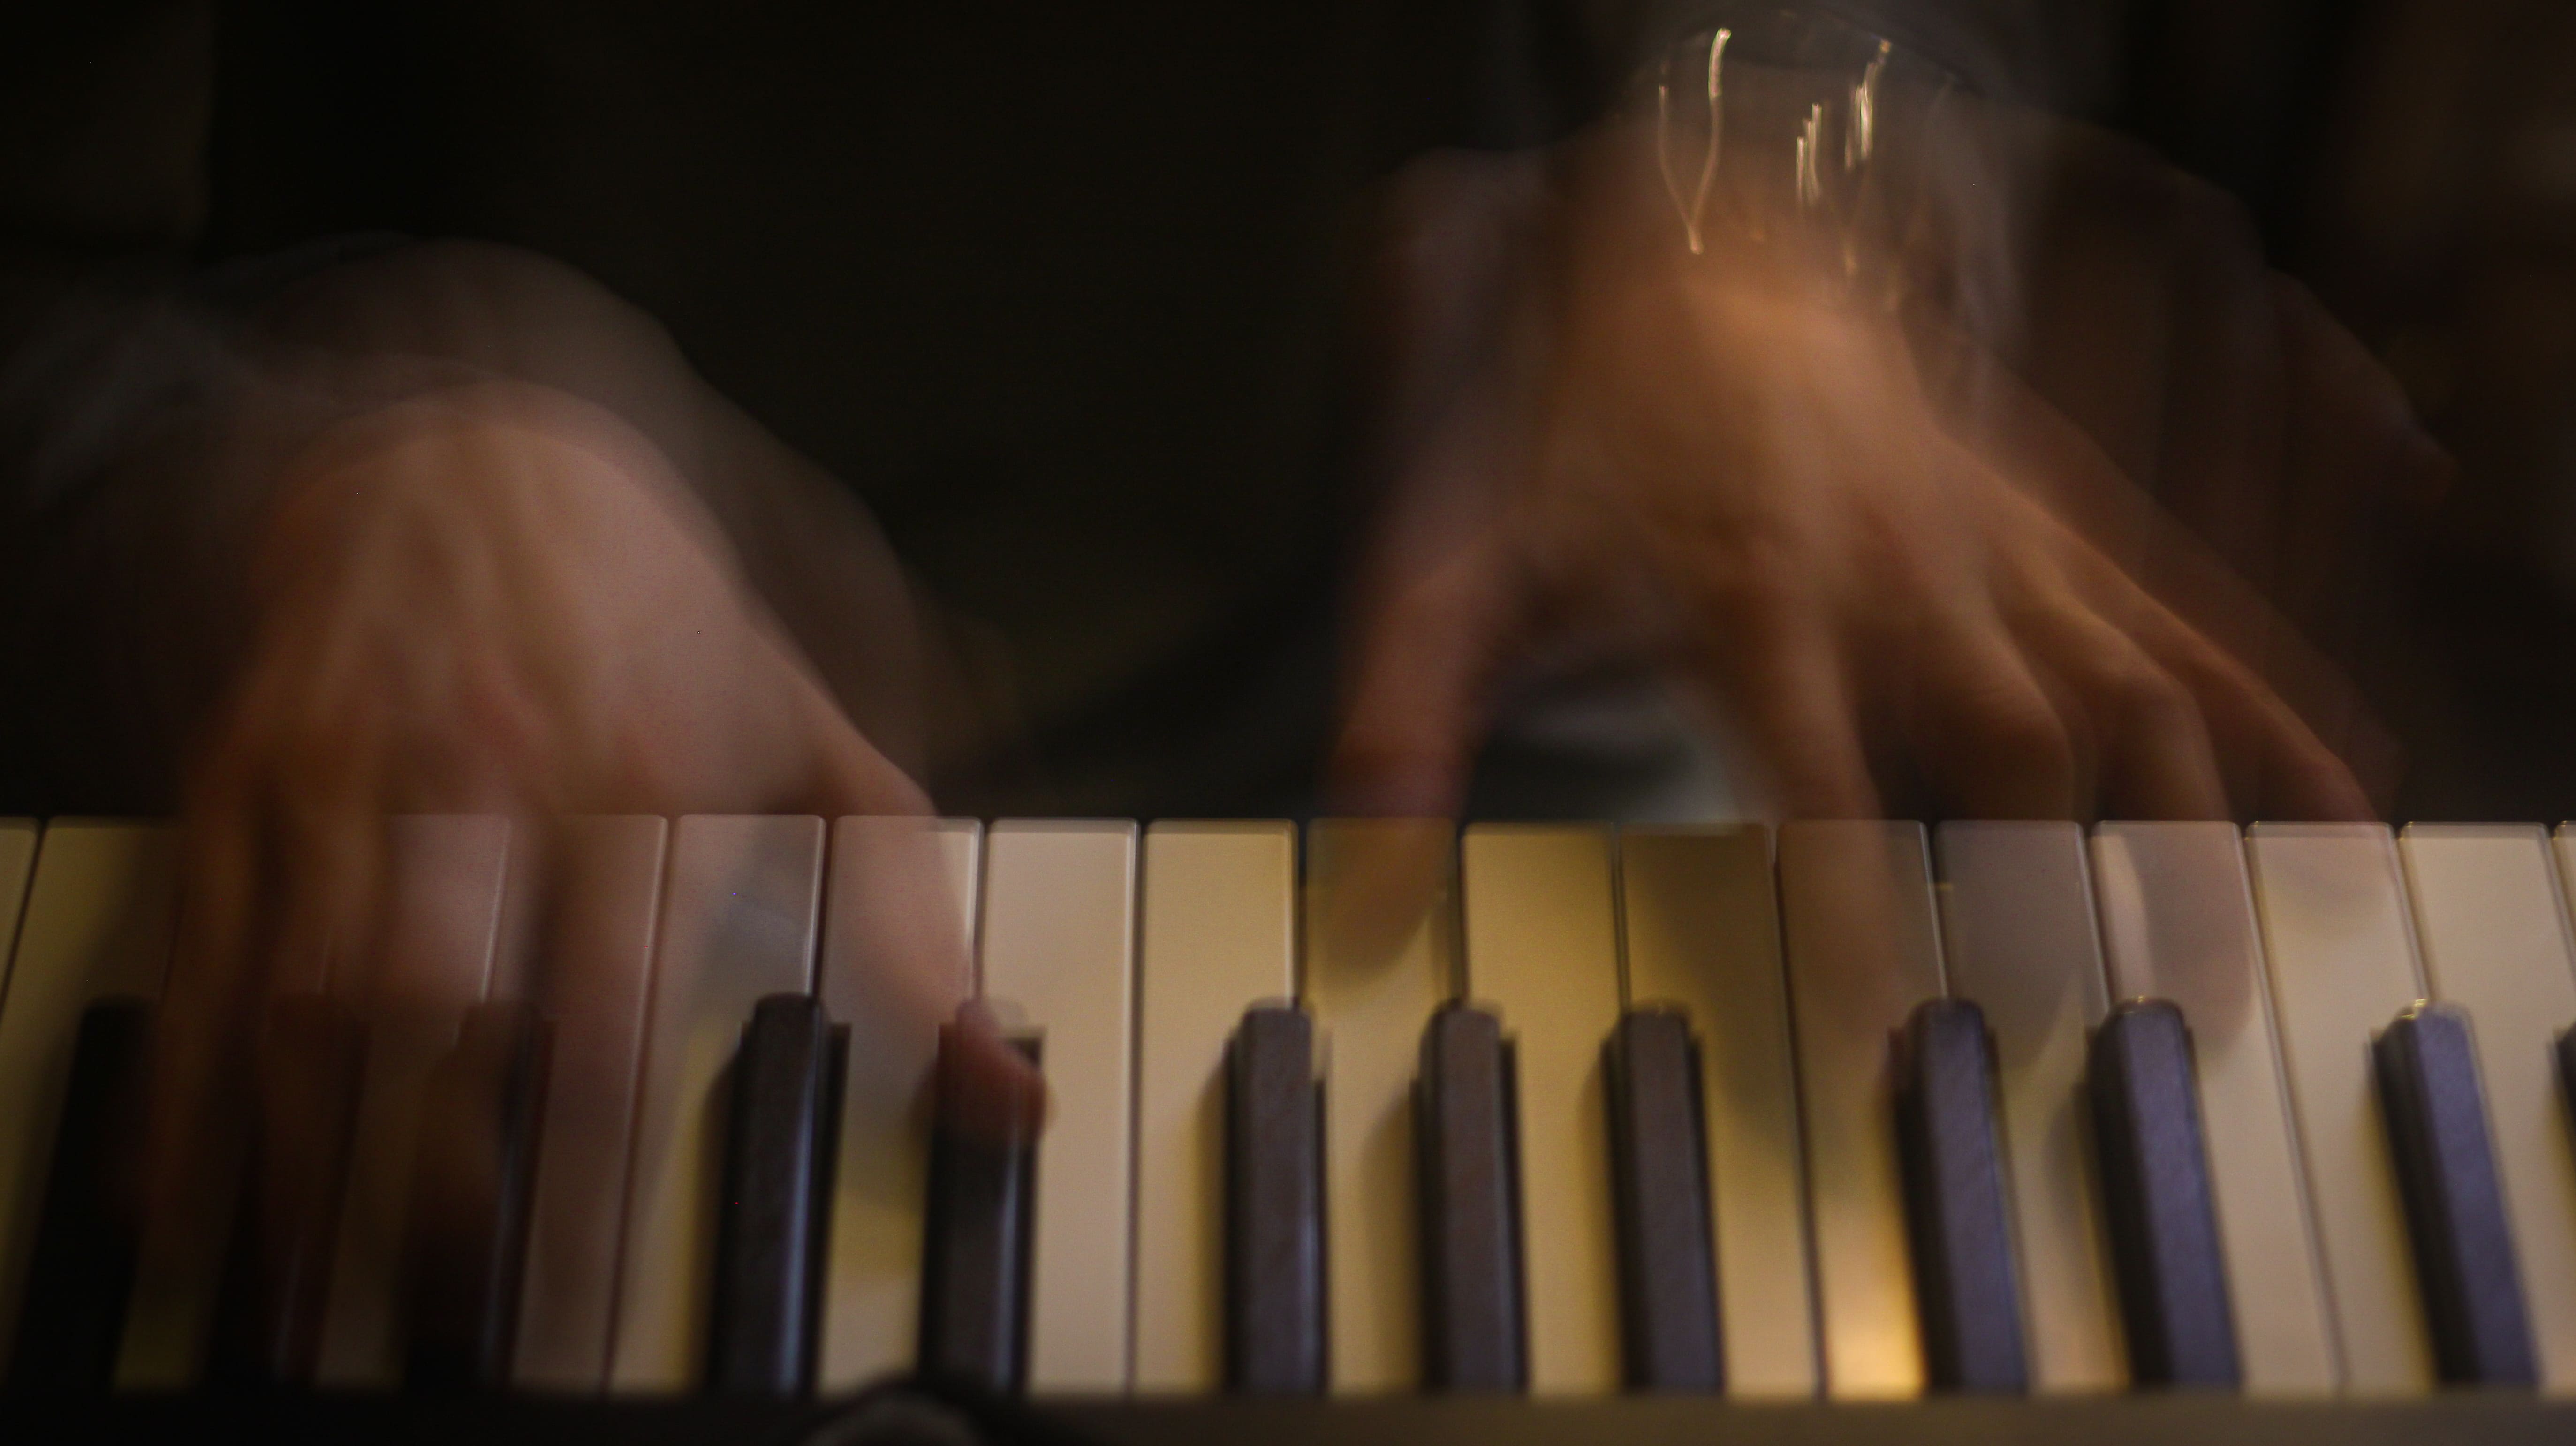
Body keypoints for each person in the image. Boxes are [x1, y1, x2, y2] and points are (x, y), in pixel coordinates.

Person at [0, 0, 2439, 1232]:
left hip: (1467, 723)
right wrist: (311, 482)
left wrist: (1765, 193)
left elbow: (1820, 44)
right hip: (499, 840)